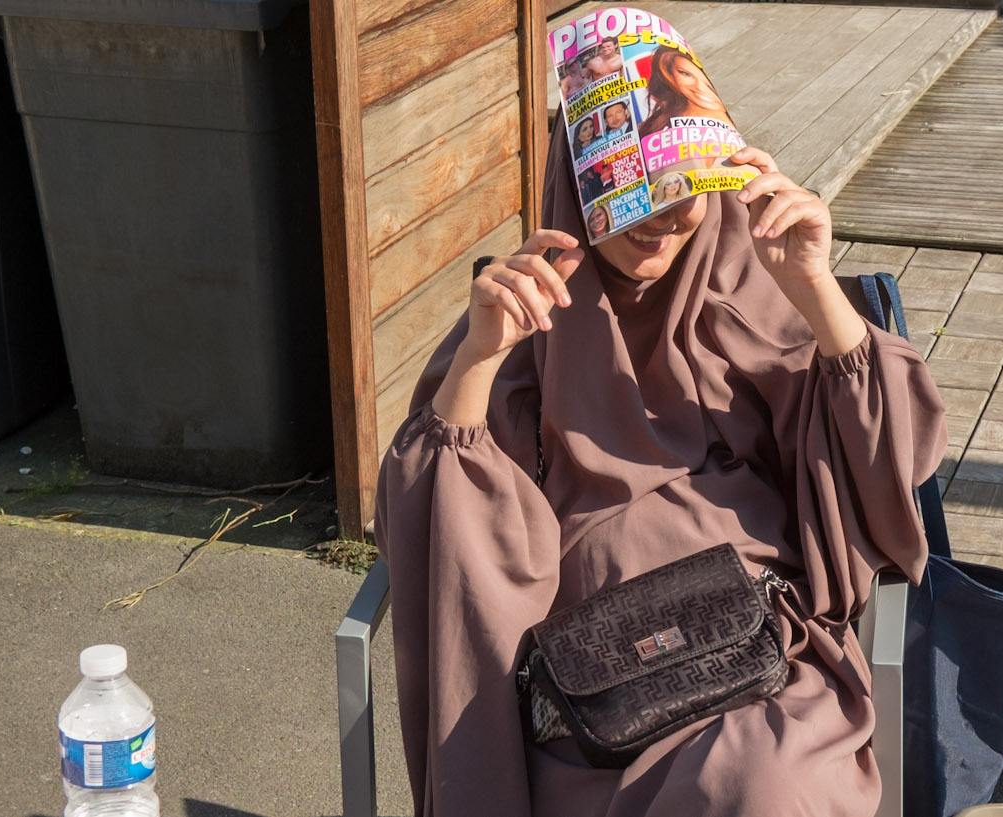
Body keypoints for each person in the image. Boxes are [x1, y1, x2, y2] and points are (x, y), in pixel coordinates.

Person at [374, 113, 945, 816]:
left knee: (760, 788)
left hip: (760, 660)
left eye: (685, 186)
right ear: (578, 185)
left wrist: (816, 288)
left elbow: (897, 457)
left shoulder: (747, 285)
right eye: (631, 188)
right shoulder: (523, 322)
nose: (664, 217)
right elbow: (428, 522)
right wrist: (478, 362)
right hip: (591, 695)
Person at [638, 45, 732, 138]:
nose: (700, 87)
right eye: (685, 74)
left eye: (705, 79)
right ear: (668, 76)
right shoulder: (655, 127)